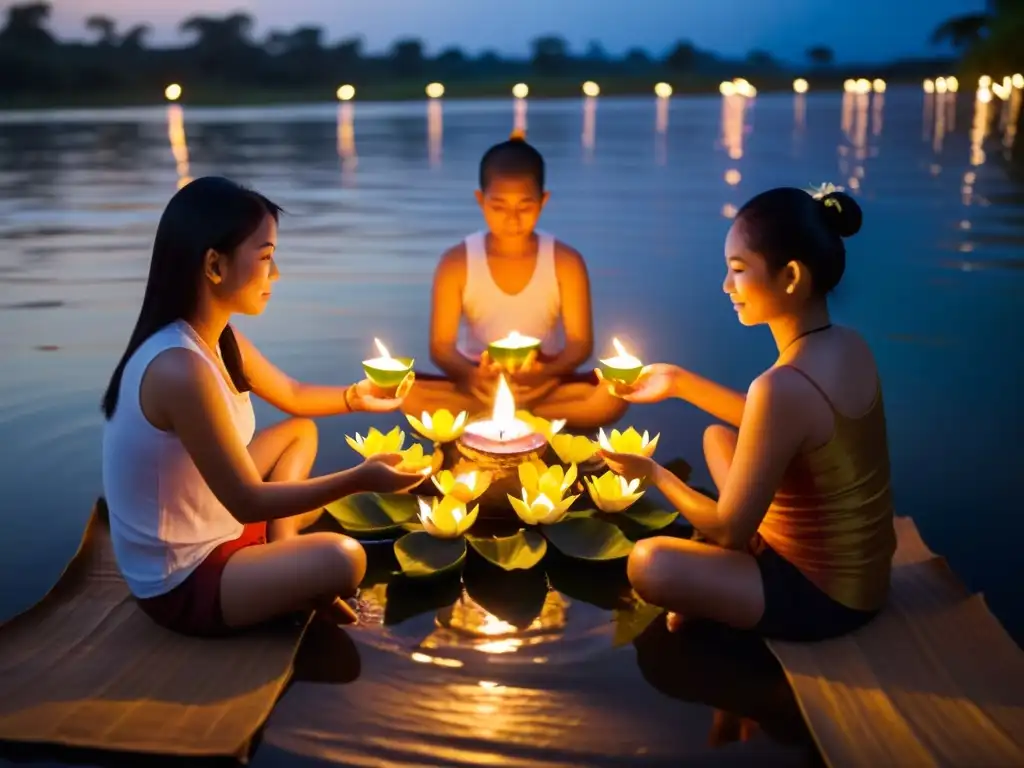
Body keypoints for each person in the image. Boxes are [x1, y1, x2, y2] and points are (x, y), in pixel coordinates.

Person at [101, 176, 428, 638]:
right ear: (214, 265)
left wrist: (357, 397)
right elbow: (248, 500)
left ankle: (282, 554)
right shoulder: (178, 368)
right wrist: (362, 477)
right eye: (266, 258)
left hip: (218, 518)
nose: (276, 275)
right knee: (344, 558)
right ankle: (289, 571)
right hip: (183, 578)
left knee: (300, 431)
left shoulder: (217, 339)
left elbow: (292, 394)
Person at [598, 185, 897, 642]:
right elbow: (779, 425)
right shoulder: (850, 344)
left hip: (826, 598)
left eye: (738, 271)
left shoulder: (780, 387)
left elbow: (728, 532)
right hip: (871, 578)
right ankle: (731, 578)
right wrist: (677, 381)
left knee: (649, 564)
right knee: (718, 437)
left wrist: (653, 473)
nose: (726, 287)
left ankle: (723, 594)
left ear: (791, 277)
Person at [401, 130, 628, 429]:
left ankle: (497, 415)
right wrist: (471, 377)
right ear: (480, 200)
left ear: (543, 201)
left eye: (524, 206)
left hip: (543, 381)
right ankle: (527, 416)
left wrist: (544, 375)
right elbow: (441, 346)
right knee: (409, 394)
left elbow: (580, 343)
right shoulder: (456, 261)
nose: (512, 218)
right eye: (498, 206)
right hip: (479, 380)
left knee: (612, 396)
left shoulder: (565, 261)